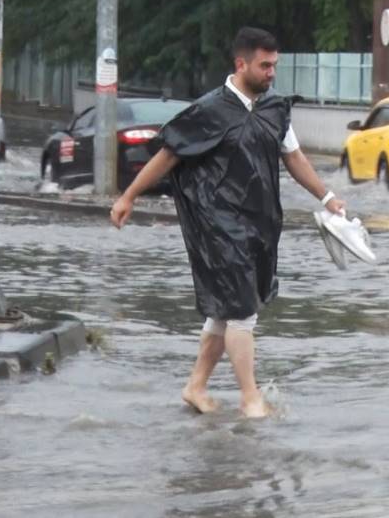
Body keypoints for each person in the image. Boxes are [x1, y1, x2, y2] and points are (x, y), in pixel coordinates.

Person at [110, 27, 345, 418]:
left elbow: (295, 159)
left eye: (274, 65)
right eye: (264, 65)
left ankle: (196, 386)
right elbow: (168, 156)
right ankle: (250, 398)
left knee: (222, 312)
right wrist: (128, 196)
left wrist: (327, 197)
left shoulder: (274, 110)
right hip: (217, 223)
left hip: (261, 225)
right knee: (242, 310)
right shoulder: (209, 110)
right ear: (241, 64)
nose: (272, 73)